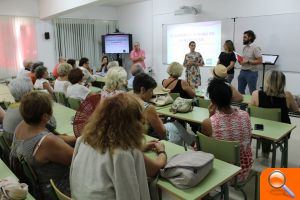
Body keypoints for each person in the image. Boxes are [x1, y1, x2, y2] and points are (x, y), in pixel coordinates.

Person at [70, 93, 166, 199]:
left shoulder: (83, 140)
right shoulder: (123, 154)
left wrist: (141, 148)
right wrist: (162, 152)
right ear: (135, 122)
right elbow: (153, 170)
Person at [10, 91, 75, 198]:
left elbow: (51, 139)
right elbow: (78, 161)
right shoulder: (47, 142)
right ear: (45, 116)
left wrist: (75, 139)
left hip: (37, 184)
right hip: (55, 190)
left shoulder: (21, 126)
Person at [201, 79, 253, 182]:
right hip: (243, 168)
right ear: (230, 97)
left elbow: (205, 147)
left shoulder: (208, 122)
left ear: (212, 100)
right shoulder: (245, 115)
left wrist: (210, 116)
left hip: (220, 171)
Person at [133, 73, 196, 145]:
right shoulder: (148, 108)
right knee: (177, 126)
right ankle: (192, 143)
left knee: (176, 126)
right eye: (151, 91)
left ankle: (191, 141)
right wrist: (159, 120)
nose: (152, 94)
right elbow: (162, 133)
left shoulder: (126, 100)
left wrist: (155, 119)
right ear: (142, 90)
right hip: (151, 140)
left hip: (136, 138)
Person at [250, 70, 298, 159]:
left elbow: (250, 110)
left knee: (266, 124)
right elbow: (295, 109)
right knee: (271, 125)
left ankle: (265, 151)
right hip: (281, 131)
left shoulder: (256, 94)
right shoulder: (287, 96)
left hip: (259, 129)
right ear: (282, 82)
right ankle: (267, 150)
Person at [238, 30, 262, 94]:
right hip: (242, 71)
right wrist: (240, 61)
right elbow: (244, 59)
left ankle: (253, 103)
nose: (243, 39)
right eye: (243, 37)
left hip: (251, 72)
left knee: (252, 91)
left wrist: (248, 61)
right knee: (240, 90)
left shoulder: (255, 48)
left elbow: (260, 61)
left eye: (245, 37)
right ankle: (242, 104)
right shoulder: (244, 47)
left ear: (250, 37)